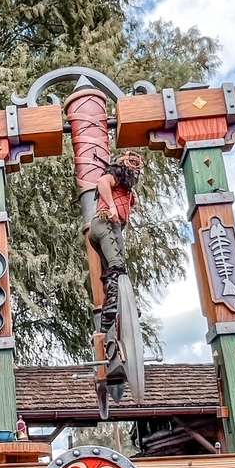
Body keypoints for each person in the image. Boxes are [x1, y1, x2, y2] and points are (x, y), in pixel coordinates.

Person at [87, 151, 141, 384]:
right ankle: (111, 307)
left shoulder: (127, 188)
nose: (135, 169)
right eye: (132, 164)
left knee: (113, 271)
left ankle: (109, 318)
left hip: (108, 228)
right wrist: (111, 207)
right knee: (118, 268)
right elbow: (102, 181)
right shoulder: (115, 175)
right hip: (105, 224)